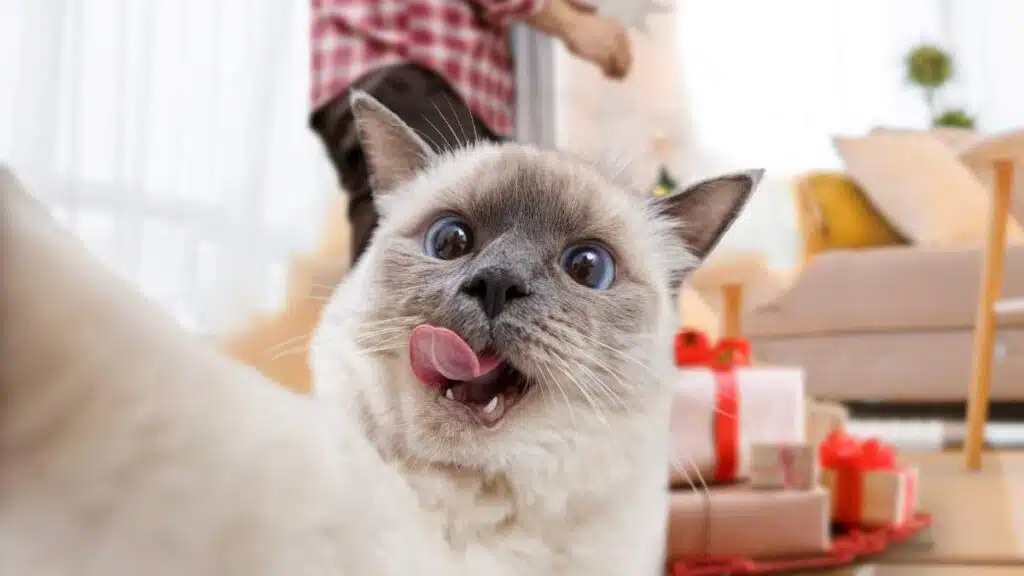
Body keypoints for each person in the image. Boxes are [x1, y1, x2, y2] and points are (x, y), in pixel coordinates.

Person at [309, 0, 633, 265]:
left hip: (403, 72)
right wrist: (572, 24)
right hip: (405, 62)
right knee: (423, 242)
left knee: (417, 232)